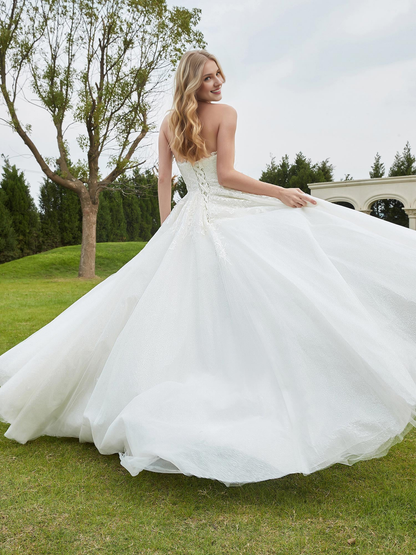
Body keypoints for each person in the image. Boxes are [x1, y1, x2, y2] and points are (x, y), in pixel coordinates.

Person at [0, 49, 415, 488]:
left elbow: (165, 180)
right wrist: (277, 191)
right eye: (208, 79)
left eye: (219, 76)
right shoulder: (226, 115)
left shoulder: (168, 122)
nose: (218, 84)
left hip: (187, 214)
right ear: (192, 83)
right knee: (287, 247)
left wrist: (165, 229)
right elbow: (228, 175)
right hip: (217, 209)